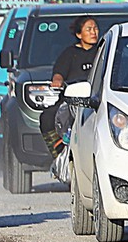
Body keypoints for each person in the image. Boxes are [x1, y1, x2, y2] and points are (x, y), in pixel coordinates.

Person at [40, 15, 102, 153]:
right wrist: (57, 81)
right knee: (47, 118)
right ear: (79, 34)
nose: (93, 32)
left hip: (97, 99)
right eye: (89, 29)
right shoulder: (69, 53)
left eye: (95, 28)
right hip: (72, 101)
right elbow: (59, 73)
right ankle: (58, 153)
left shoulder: (102, 52)